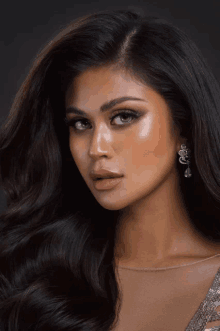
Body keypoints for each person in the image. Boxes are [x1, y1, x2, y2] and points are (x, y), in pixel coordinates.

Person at [0, 8, 220, 331]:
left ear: (183, 126)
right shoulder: (35, 275)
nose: (96, 148)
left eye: (123, 117)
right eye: (80, 123)